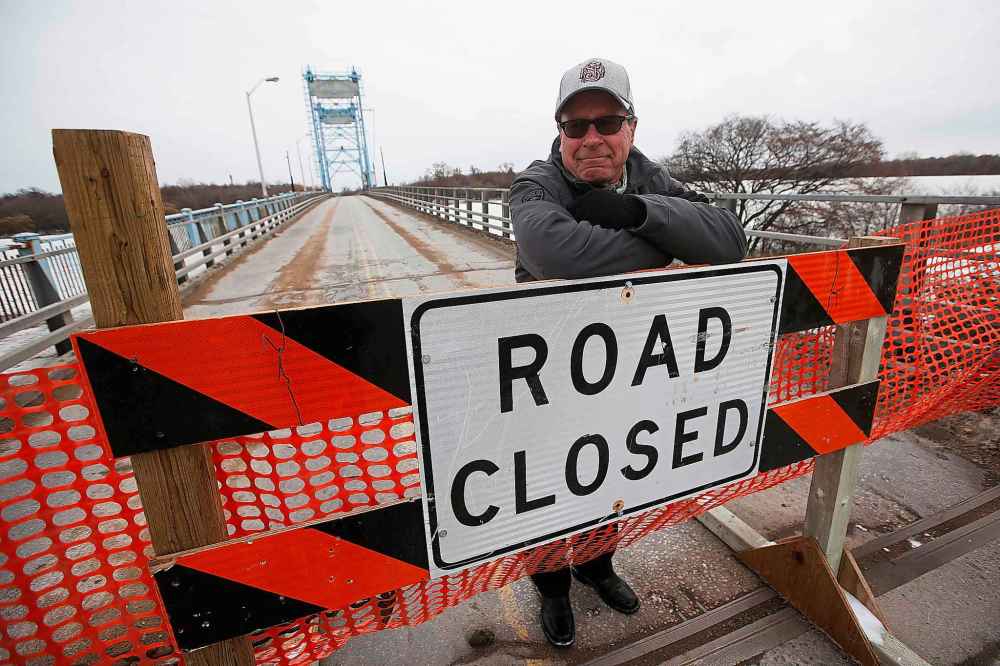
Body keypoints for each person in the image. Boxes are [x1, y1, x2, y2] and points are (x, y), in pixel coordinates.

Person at [509, 57, 747, 648]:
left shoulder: (647, 176)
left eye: (607, 121)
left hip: (628, 368)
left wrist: (640, 212)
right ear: (560, 133)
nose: (592, 138)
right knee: (545, 487)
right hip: (547, 374)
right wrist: (664, 245)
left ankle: (596, 566)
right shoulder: (537, 183)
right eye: (575, 125)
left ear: (631, 127)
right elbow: (555, 254)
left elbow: (729, 239)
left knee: (611, 472)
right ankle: (554, 589)